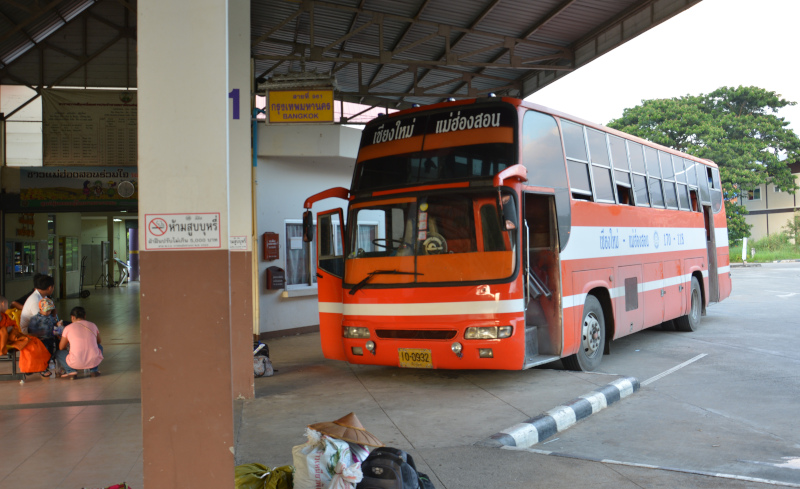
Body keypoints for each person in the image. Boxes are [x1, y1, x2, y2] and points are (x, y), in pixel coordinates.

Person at [56, 306, 103, 379]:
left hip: (75, 362)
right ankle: (94, 370)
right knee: (99, 347)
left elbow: (61, 347)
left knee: (59, 353)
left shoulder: (68, 328)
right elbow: (99, 341)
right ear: (85, 316)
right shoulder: (93, 325)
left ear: (72, 317)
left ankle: (71, 371)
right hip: (93, 360)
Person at [27, 297, 63, 377]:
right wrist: (38, 333)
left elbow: (54, 325)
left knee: (50, 353)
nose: (48, 312)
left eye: (50, 311)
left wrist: (57, 326)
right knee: (43, 354)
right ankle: (42, 369)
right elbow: (31, 331)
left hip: (50, 338)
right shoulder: (35, 319)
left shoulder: (51, 317)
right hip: (41, 340)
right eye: (46, 311)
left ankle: (47, 366)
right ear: (40, 308)